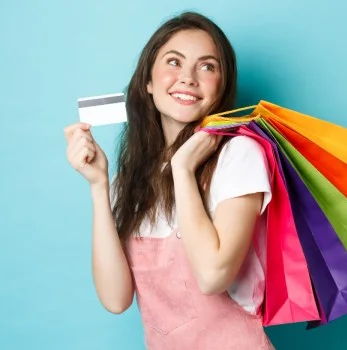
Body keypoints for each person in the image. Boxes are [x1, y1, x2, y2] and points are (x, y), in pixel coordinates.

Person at [63, 11, 275, 349]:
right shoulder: (130, 182)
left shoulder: (239, 155)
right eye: (174, 62)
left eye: (207, 67)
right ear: (148, 81)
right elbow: (115, 299)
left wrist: (183, 168)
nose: (189, 78)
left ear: (222, 87)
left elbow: (213, 275)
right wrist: (99, 186)